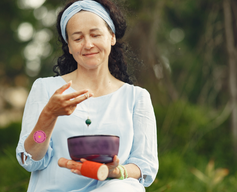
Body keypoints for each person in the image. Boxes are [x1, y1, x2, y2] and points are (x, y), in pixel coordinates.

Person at [16, 0, 158, 191]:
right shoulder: (46, 89)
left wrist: (115, 172)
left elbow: (145, 165)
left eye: (95, 34)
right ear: (69, 46)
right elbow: (31, 160)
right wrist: (49, 115)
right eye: (77, 38)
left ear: (112, 37)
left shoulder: (136, 98)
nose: (88, 44)